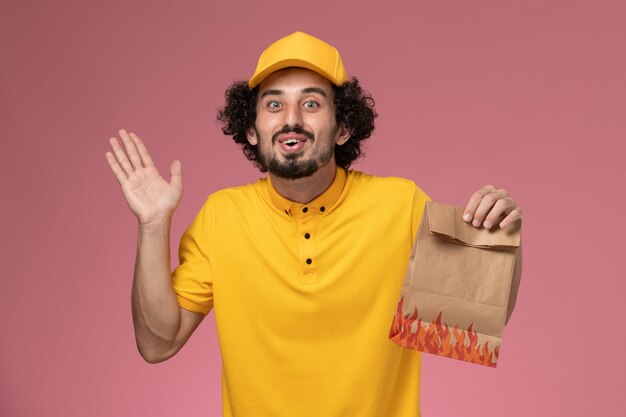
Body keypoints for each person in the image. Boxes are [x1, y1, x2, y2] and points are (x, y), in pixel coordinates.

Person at [105, 31, 522, 417]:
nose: (292, 119)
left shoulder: (401, 204)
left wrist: (501, 243)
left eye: (310, 103)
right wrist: (154, 225)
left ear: (343, 127)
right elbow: (157, 343)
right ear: (251, 130)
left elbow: (475, 321)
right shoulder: (221, 216)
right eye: (273, 104)